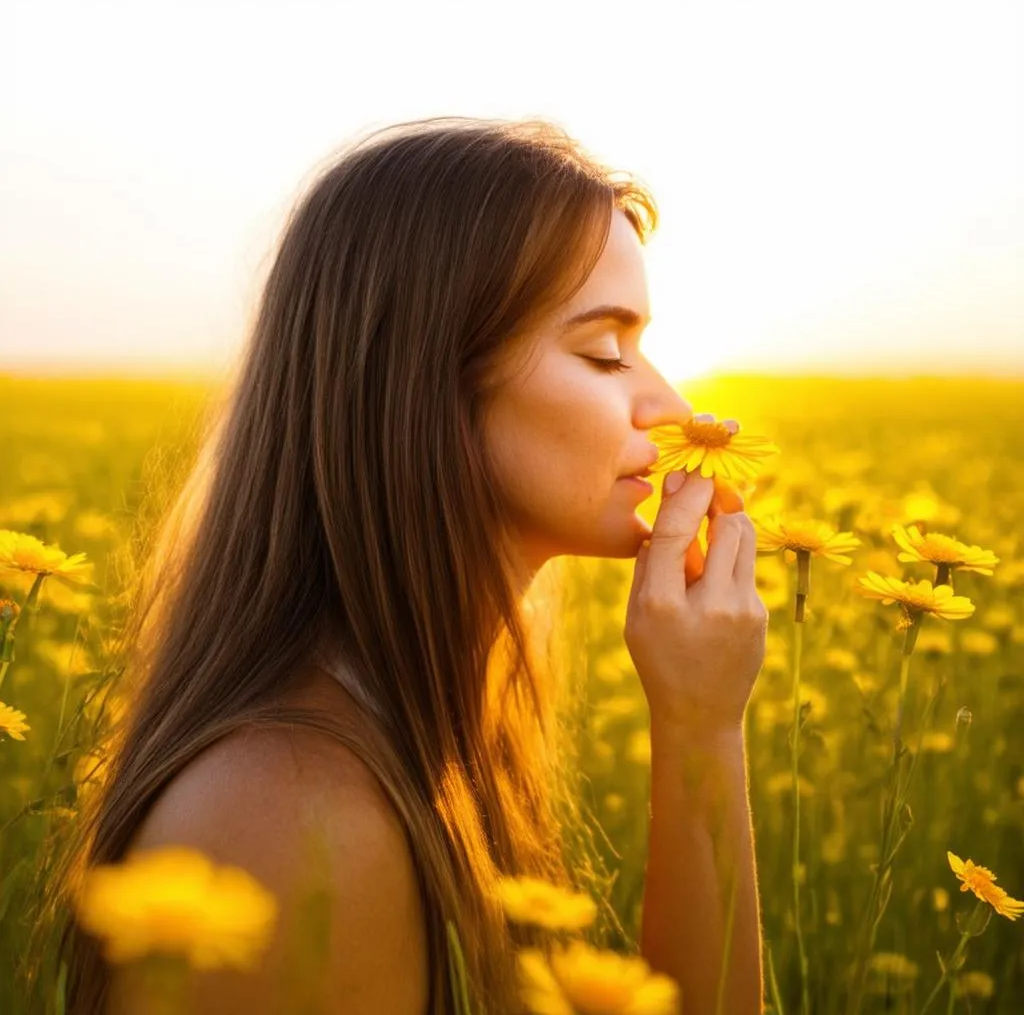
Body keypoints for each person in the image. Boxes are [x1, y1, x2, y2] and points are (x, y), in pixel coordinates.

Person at [49, 116, 768, 1014]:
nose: (671, 406)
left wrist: (703, 724)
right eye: (605, 351)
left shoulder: (424, 733)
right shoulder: (286, 821)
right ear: (422, 382)